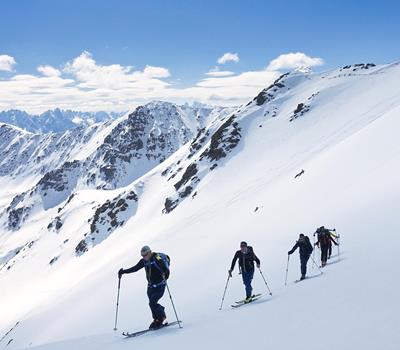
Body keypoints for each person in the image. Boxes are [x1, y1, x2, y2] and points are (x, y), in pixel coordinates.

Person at [118, 246, 170, 329]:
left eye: (145, 255)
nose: (144, 257)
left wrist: (165, 275)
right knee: (151, 303)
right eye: (142, 256)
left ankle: (161, 317)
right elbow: (135, 268)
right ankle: (156, 319)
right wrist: (123, 272)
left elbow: (166, 270)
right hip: (150, 286)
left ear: (150, 252)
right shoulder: (144, 261)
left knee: (153, 302)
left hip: (160, 285)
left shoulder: (157, 258)